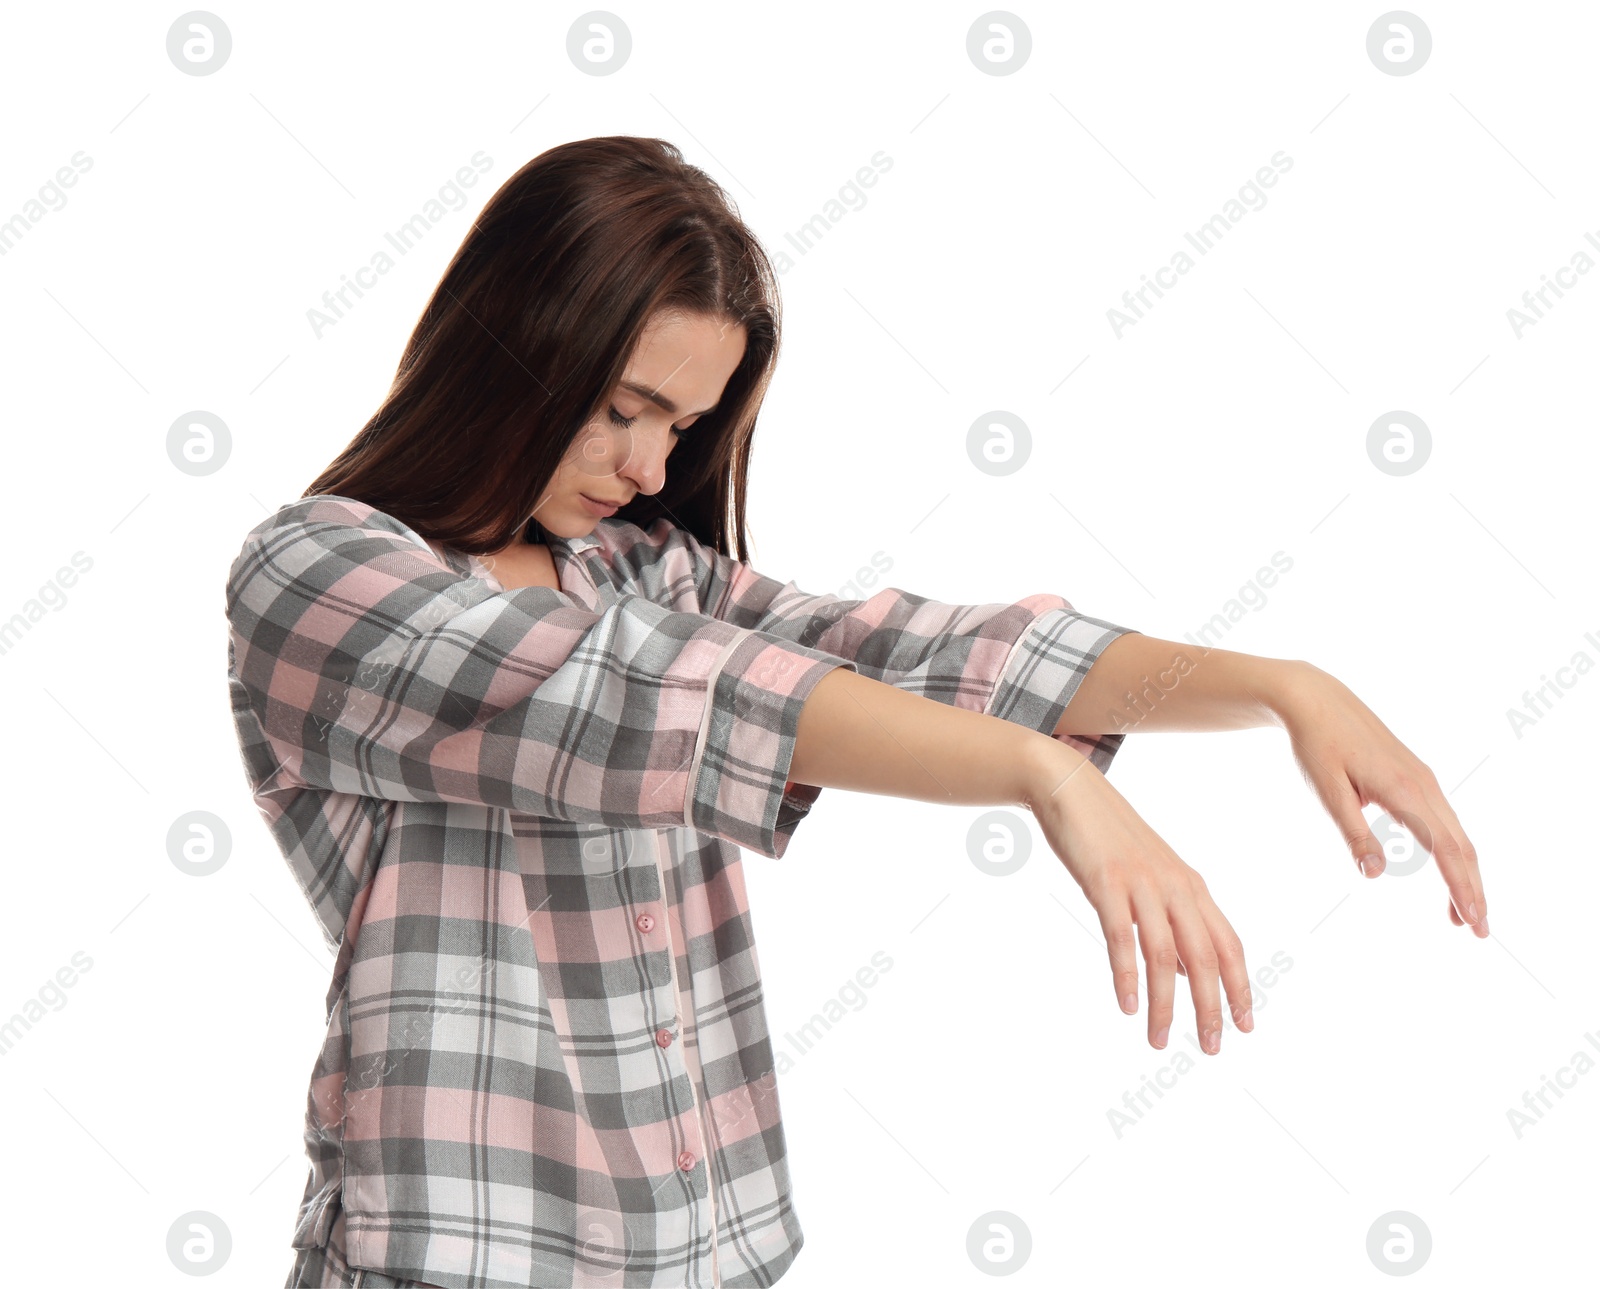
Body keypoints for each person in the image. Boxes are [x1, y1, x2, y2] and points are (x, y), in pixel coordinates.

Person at [225, 136, 1489, 1289]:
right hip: (456, 1255)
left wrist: (1282, 686)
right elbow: (645, 697)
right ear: (509, 350)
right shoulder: (321, 576)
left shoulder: (635, 568)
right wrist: (1051, 779)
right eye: (620, 408)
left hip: (704, 1253)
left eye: (681, 424)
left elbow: (902, 652)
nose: (650, 470)